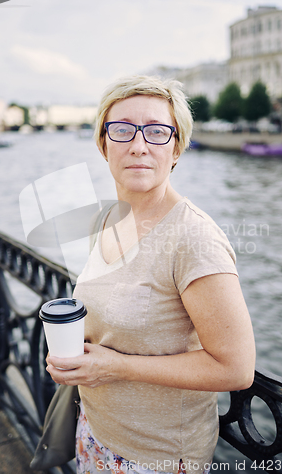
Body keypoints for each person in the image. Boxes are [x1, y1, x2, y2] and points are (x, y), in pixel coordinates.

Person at [46, 75, 256, 474]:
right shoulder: (107, 216)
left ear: (176, 148)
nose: (139, 146)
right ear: (102, 144)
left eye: (157, 132)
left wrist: (115, 366)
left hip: (155, 456)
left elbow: (237, 369)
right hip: (95, 430)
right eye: (123, 130)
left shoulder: (194, 239)